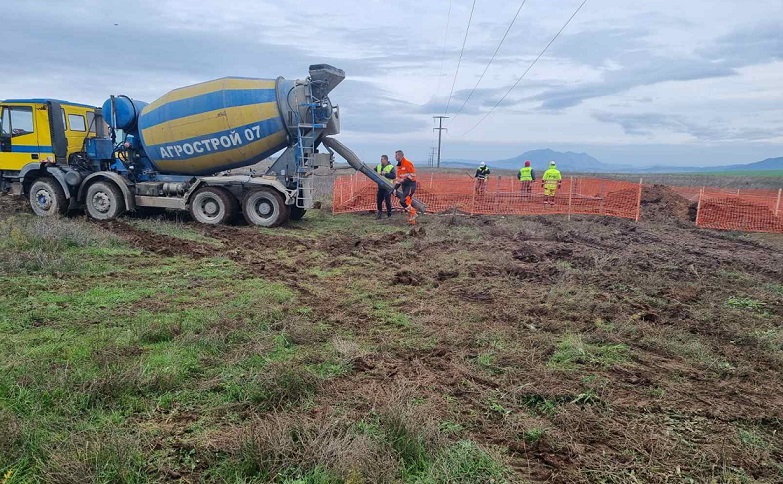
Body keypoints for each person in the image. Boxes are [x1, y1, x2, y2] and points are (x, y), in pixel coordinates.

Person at [393, 149, 417, 224]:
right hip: (405, 186)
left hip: (410, 185)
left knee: (403, 201)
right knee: (407, 203)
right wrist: (395, 188)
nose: (395, 157)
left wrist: (404, 180)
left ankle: (413, 213)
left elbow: (413, 175)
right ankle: (411, 222)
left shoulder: (408, 163)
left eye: (396, 155)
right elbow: (399, 179)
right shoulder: (399, 166)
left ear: (400, 155)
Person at [375, 155, 396, 219]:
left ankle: (389, 214)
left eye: (382, 159)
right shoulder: (378, 166)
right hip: (380, 187)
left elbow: (393, 176)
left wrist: (385, 174)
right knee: (379, 201)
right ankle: (379, 213)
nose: (380, 160)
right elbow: (373, 172)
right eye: (380, 159)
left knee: (387, 201)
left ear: (386, 160)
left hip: (388, 187)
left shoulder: (391, 167)